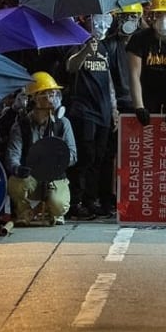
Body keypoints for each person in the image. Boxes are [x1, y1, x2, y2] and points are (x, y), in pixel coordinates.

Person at [5, 72, 77, 226]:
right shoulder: (21, 126)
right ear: (34, 99)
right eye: (46, 94)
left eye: (54, 94)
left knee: (59, 206)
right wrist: (18, 169)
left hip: (55, 176)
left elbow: (73, 155)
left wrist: (57, 161)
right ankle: (23, 212)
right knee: (15, 183)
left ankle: (49, 211)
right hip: (31, 175)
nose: (52, 99)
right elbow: (13, 155)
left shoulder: (62, 123)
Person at [64, 14, 117, 219]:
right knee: (85, 156)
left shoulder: (105, 49)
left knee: (99, 158)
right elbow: (71, 66)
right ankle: (75, 201)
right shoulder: (78, 44)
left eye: (105, 22)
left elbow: (109, 79)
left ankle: (90, 200)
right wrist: (86, 48)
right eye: (97, 21)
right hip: (83, 110)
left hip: (103, 110)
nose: (101, 25)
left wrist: (114, 109)